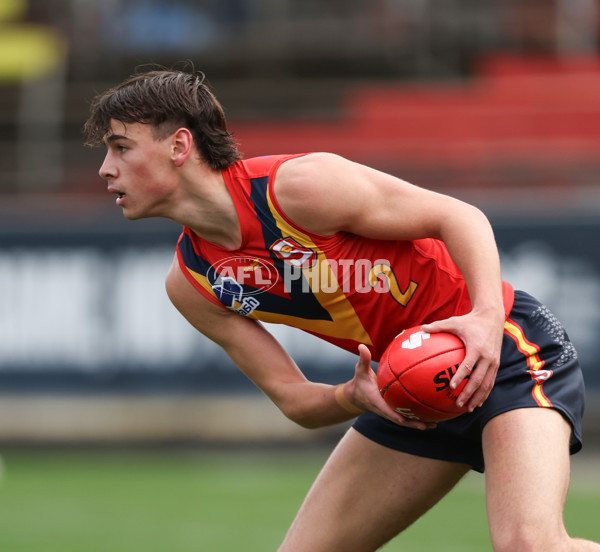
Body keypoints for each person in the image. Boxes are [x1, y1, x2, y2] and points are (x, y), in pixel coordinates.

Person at [83, 68, 599, 552]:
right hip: (406, 392)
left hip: (504, 349)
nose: (106, 169)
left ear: (178, 146)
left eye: (120, 148)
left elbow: (458, 216)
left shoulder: (301, 188)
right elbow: (294, 400)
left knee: (531, 545)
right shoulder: (192, 283)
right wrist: (353, 395)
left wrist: (485, 318)